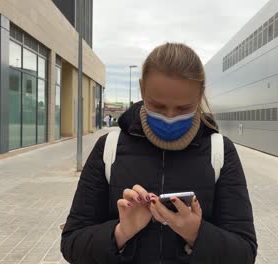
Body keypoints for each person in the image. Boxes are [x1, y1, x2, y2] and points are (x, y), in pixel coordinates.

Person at [61, 43, 257, 263]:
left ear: (200, 95)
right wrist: (121, 232)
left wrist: (196, 234)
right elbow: (72, 243)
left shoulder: (220, 152)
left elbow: (245, 252)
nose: (170, 117)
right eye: (158, 106)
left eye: (183, 108)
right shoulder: (109, 148)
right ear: (142, 89)